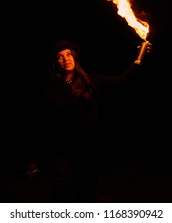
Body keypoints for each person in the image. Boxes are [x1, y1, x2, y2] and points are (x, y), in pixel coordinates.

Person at [26, 38, 152, 203]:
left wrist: (139, 59)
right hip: (60, 154)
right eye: (60, 56)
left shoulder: (90, 82)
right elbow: (42, 125)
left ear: (75, 57)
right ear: (55, 62)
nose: (66, 59)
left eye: (69, 54)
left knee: (87, 196)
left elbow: (120, 81)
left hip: (87, 152)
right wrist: (35, 157)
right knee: (63, 199)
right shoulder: (49, 91)